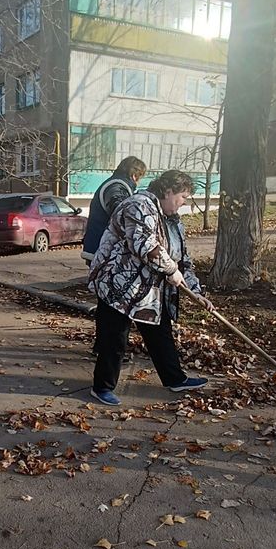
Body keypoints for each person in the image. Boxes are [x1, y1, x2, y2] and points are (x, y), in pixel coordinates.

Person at [87, 170, 214, 406]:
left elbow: (183, 260)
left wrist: (196, 292)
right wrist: (170, 271)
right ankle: (102, 387)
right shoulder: (137, 205)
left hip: (148, 290)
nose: (184, 203)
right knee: (114, 338)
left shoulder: (172, 220)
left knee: (160, 333)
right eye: (183, 197)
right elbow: (144, 244)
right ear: (168, 191)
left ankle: (174, 379)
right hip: (117, 285)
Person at [81, 156, 147, 264]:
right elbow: (123, 215)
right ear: (135, 176)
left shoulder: (116, 185)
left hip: (100, 245)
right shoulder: (116, 187)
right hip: (103, 247)